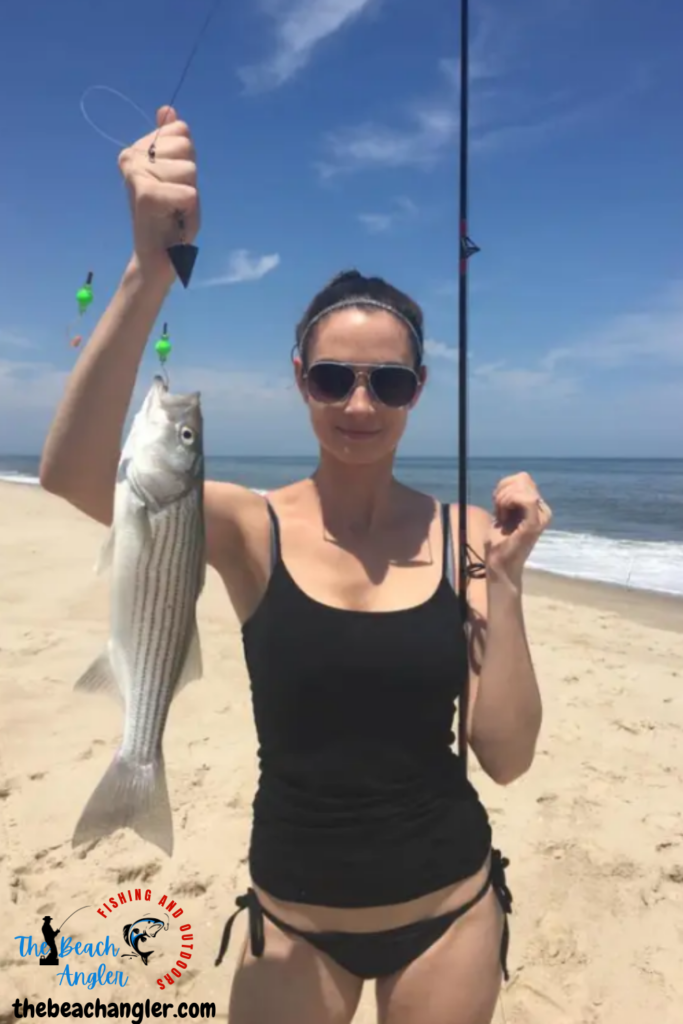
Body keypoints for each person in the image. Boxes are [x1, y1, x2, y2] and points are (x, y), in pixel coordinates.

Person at [40, 106, 551, 1024]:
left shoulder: (469, 535)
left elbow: (506, 757)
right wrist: (147, 270)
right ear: (298, 379)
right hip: (291, 918)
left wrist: (504, 583)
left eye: (387, 382)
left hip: (450, 910)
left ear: (417, 392)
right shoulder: (245, 524)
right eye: (332, 379)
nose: (360, 403)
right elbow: (74, 473)